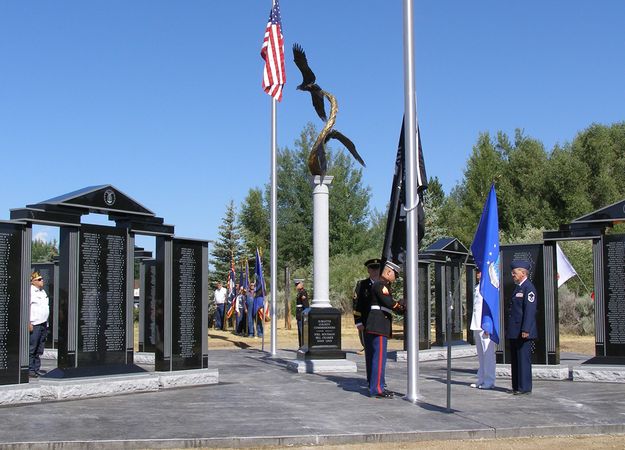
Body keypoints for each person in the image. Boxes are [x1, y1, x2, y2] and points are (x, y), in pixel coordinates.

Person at [365, 261, 404, 398]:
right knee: (379, 358)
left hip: (375, 325)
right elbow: (389, 303)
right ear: (388, 272)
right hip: (379, 325)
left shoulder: (379, 285)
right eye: (395, 275)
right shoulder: (381, 285)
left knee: (374, 358)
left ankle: (374, 385)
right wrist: (401, 305)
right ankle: (377, 389)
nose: (396, 278)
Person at [507, 260, 538, 395]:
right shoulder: (518, 287)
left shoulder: (529, 288)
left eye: (515, 272)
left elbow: (530, 311)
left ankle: (524, 387)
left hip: (522, 331)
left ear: (523, 273)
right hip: (514, 330)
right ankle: (517, 385)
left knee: (523, 359)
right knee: (515, 359)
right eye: (512, 272)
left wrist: (526, 329)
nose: (512, 275)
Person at [353, 258, 381, 382]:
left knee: (380, 354)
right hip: (366, 323)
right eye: (372, 268)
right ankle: (371, 380)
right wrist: (358, 321)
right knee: (369, 353)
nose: (375, 271)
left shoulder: (384, 284)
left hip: (380, 323)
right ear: (368, 270)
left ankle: (380, 380)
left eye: (377, 268)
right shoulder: (362, 285)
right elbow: (356, 304)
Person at [470, 270, 496, 390]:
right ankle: (481, 379)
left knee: (488, 354)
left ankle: (489, 380)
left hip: (485, 325)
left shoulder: (489, 288)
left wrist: (488, 326)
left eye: (480, 271)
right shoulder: (477, 287)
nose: (477, 274)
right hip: (476, 324)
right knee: (481, 355)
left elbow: (491, 308)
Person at [29, 271, 49, 378]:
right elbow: (26, 307)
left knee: (39, 348)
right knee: (32, 347)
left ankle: (36, 369)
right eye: (39, 279)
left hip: (43, 324)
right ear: (33, 281)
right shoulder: (30, 291)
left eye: (42, 279)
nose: (42, 281)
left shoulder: (43, 292)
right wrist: (28, 322)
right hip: (34, 323)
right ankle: (30, 369)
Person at [295, 279, 309, 348]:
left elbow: (305, 305)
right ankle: (301, 345)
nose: (296, 286)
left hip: (301, 314)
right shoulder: (299, 292)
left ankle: (303, 345)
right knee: (300, 331)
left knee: (302, 331)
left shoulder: (303, 292)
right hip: (299, 314)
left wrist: (305, 315)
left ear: (301, 284)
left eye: (297, 284)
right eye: (296, 285)